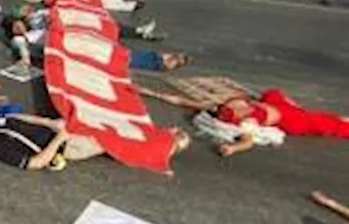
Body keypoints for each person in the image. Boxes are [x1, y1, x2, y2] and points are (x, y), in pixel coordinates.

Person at [137, 84, 349, 154]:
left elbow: (181, 101)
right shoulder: (248, 122)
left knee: (272, 92)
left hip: (277, 105)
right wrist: (232, 149)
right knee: (331, 123)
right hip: (290, 119)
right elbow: (247, 140)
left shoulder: (225, 105)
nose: (235, 109)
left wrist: (149, 91)